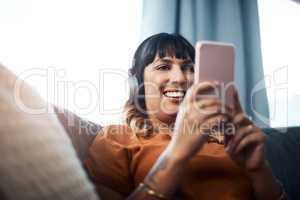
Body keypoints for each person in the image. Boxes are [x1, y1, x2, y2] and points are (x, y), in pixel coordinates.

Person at [84, 33, 286, 200]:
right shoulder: (115, 139)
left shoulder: (230, 142)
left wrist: (259, 170)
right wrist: (178, 152)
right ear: (137, 83)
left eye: (189, 68)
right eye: (163, 67)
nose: (181, 78)